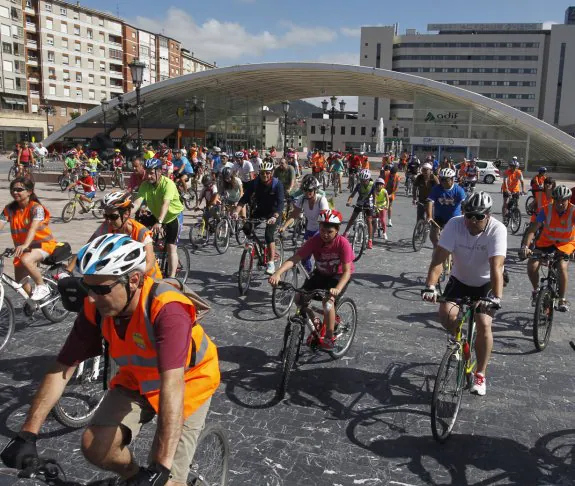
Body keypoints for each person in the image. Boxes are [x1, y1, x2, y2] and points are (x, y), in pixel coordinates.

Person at [0, 235, 220, 486]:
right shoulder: (97, 306)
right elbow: (62, 368)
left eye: (101, 289)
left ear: (134, 280)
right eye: (87, 287)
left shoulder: (168, 309)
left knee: (168, 481)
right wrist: (27, 435)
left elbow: (172, 385)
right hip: (138, 377)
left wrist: (161, 468)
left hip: (189, 380)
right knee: (95, 446)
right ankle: (132, 477)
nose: (91, 298)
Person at [422, 192, 505, 396]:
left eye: (478, 216)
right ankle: (456, 336)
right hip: (459, 279)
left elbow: (497, 267)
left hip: (485, 283)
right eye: (468, 215)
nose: (472, 221)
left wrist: (495, 297)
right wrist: (430, 286)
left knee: (484, 323)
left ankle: (480, 374)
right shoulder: (454, 224)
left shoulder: (497, 229)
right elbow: (439, 259)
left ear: (488, 215)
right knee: (446, 315)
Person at [269, 209, 354, 351]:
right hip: (321, 273)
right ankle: (315, 321)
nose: (325, 235)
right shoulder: (315, 240)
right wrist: (278, 273)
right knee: (299, 299)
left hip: (338, 276)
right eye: (322, 230)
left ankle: (329, 336)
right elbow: (296, 258)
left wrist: (337, 290)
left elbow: (347, 272)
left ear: (337, 230)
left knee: (327, 303)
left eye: (329, 231)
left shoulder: (343, 243)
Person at [66, 191, 162, 279]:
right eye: (106, 216)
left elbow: (150, 262)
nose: (108, 220)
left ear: (126, 213)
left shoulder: (141, 232)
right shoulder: (106, 226)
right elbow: (86, 248)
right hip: (122, 277)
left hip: (148, 278)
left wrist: (129, 278)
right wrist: (67, 271)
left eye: (113, 216)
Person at [0, 177, 57, 301]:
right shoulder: (9, 209)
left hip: (43, 245)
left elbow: (33, 228)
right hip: (22, 248)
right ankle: (34, 301)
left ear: (30, 191)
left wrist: (25, 245)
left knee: (26, 260)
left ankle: (42, 286)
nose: (15, 192)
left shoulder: (37, 208)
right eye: (13, 190)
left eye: (19, 189)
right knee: (19, 280)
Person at [521, 185, 575, 312]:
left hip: (566, 244)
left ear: (569, 200)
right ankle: (536, 291)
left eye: (563, 200)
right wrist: (525, 246)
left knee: (562, 267)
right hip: (546, 243)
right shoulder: (546, 210)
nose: (560, 203)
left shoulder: (573, 211)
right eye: (557, 200)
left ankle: (562, 299)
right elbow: (532, 229)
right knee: (532, 265)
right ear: (553, 200)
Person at [133, 158, 184, 278]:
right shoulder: (145, 185)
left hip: (173, 216)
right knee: (139, 225)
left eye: (152, 173)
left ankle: (172, 278)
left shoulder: (168, 184)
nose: (149, 176)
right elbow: (136, 203)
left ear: (160, 171)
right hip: (158, 214)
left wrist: (160, 221)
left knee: (171, 247)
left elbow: (165, 204)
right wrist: (126, 213)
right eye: (147, 172)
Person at [232, 160, 284, 275]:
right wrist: (236, 212)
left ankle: (270, 262)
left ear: (272, 173)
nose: (264, 175)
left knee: (268, 234)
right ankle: (256, 250)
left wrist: (275, 216)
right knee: (246, 227)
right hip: (260, 211)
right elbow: (244, 199)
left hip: (274, 213)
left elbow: (280, 204)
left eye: (267, 173)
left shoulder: (277, 184)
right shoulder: (255, 183)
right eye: (262, 173)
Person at [281, 176, 329, 271]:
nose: (307, 193)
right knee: (304, 257)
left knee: (319, 257)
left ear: (315, 190)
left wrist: (316, 237)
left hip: (321, 230)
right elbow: (294, 215)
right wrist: (284, 227)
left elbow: (325, 219)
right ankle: (309, 274)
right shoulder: (302, 199)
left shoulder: (321, 200)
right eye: (305, 190)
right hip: (309, 229)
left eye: (310, 190)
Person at [426, 168, 466, 248]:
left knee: (451, 241)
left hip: (454, 219)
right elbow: (430, 202)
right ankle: (436, 249)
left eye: (446, 179)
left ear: (452, 179)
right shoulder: (436, 188)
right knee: (433, 236)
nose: (443, 182)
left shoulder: (459, 190)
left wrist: (464, 217)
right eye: (441, 179)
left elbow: (464, 205)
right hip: (439, 217)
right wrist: (429, 216)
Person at [343, 168, 375, 249]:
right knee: (352, 218)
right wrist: (349, 201)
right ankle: (345, 233)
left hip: (369, 203)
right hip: (360, 202)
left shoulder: (372, 185)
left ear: (368, 179)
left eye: (365, 180)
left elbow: (375, 196)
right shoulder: (358, 185)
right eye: (361, 180)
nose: (363, 182)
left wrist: (375, 205)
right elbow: (352, 195)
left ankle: (370, 240)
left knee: (369, 220)